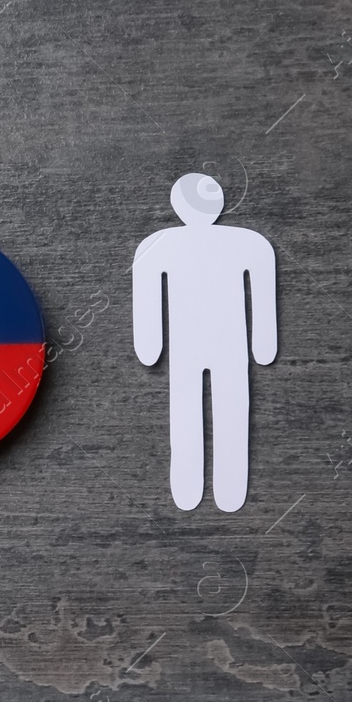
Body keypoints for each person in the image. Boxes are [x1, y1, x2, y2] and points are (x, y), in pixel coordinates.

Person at [133, 173, 277, 512]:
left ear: (177, 205)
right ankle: (223, 489)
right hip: (228, 345)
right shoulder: (249, 242)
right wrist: (263, 345)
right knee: (230, 409)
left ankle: (194, 488)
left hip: (191, 345)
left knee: (187, 411)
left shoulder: (158, 244)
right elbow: (264, 294)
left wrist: (150, 346)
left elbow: (147, 299)